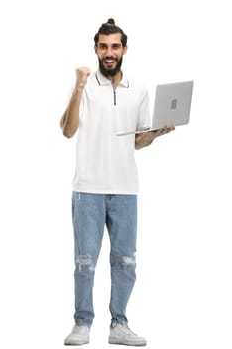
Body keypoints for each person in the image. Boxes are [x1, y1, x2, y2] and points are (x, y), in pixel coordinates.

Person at [60, 18, 175, 347]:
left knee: (125, 261)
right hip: (88, 189)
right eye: (103, 46)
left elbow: (136, 140)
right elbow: (67, 130)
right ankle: (82, 323)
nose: (109, 52)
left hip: (125, 189)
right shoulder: (83, 84)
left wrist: (156, 133)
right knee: (85, 261)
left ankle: (119, 324)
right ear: (96, 48)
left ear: (124, 49)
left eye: (115, 46)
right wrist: (79, 87)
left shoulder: (138, 89)